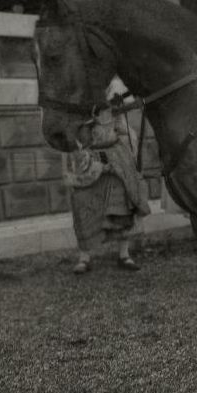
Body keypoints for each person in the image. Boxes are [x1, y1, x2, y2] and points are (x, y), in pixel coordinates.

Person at [63, 101, 150, 274]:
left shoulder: (117, 116)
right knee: (84, 204)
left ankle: (124, 254)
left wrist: (120, 160)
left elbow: (126, 137)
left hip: (117, 163)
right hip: (90, 163)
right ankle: (84, 257)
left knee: (122, 205)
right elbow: (77, 145)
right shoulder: (83, 119)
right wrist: (98, 166)